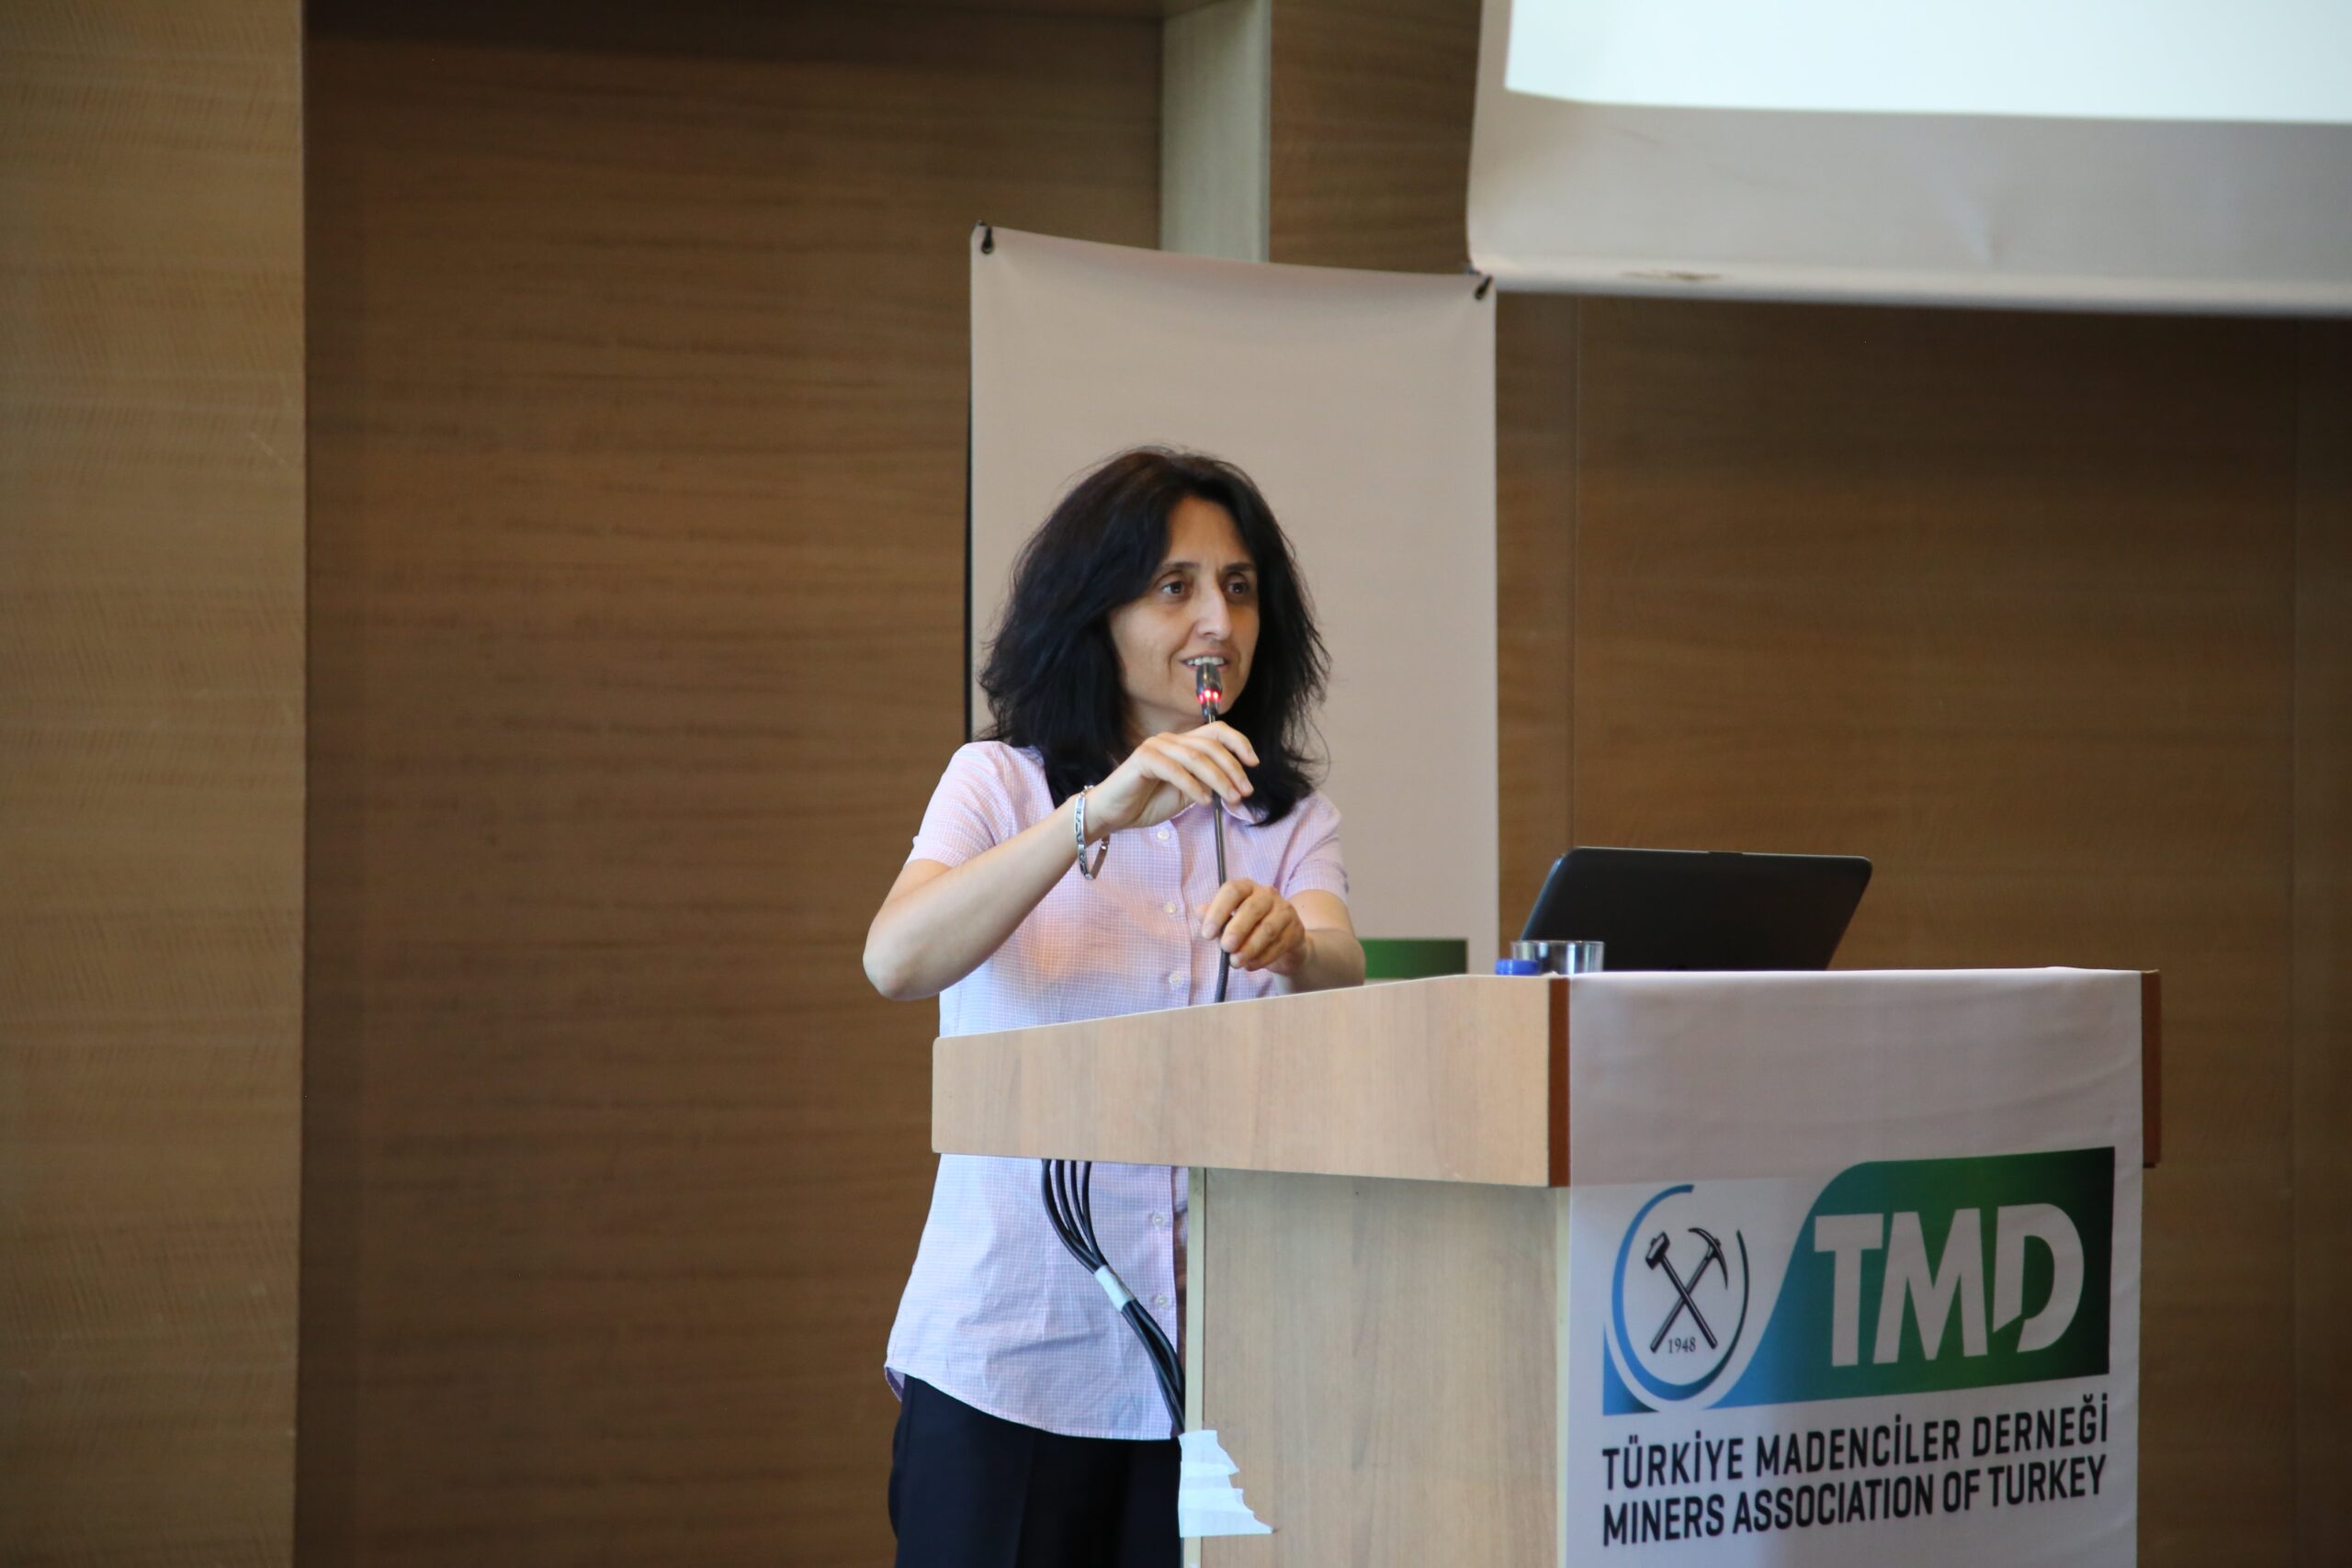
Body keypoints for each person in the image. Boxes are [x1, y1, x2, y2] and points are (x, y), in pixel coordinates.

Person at [865, 446, 1364, 1567]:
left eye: (1239, 588)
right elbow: (895, 959)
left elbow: (1341, 963)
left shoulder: (1286, 820)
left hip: (1215, 1375)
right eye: (1173, 587)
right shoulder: (1000, 783)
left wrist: (1295, 944)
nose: (1217, 623)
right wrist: (1094, 814)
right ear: (1096, 612)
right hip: (1009, 1356)